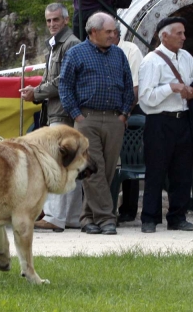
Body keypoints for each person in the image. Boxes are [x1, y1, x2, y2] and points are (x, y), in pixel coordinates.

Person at [59, 12, 134, 235]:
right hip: (87, 119)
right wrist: (77, 115)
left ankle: (87, 218)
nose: (113, 36)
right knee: (94, 170)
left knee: (108, 170)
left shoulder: (119, 55)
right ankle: (106, 219)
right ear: (93, 32)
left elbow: (128, 87)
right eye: (109, 32)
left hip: (114, 120)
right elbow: (65, 86)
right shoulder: (75, 53)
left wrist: (123, 114)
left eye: (115, 32)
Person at [19, 3, 81, 233]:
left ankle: (55, 216)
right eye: (48, 21)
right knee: (69, 163)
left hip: (63, 112)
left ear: (66, 20)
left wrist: (36, 93)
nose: (52, 24)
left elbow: (63, 81)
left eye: (56, 19)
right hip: (58, 110)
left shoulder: (71, 43)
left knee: (56, 163)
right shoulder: (57, 44)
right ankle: (72, 216)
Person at [138, 17, 193, 233]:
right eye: (179, 33)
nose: (184, 37)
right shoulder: (151, 61)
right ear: (164, 36)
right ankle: (149, 218)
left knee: (182, 172)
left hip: (183, 120)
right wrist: (170, 88)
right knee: (155, 171)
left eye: (184, 33)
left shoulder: (187, 57)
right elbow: (146, 98)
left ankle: (177, 217)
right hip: (159, 122)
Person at [114, 26, 144, 224]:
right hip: (106, 113)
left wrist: (124, 112)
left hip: (130, 111)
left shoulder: (130, 50)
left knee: (130, 159)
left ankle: (129, 209)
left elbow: (135, 86)